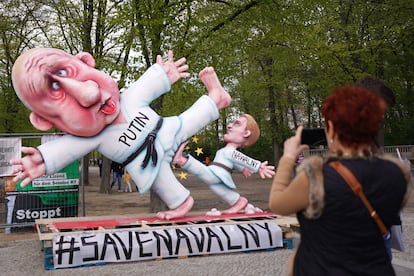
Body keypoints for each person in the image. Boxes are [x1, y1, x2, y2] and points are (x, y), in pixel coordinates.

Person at [10, 48, 231, 220]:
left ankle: (217, 98)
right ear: (45, 121)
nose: (89, 94)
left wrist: (164, 73)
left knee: (189, 119)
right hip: (146, 163)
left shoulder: (129, 98)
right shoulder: (91, 137)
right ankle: (180, 202)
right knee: (162, 180)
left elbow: (147, 84)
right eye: (56, 93)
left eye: (65, 71)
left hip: (165, 130)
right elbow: (64, 150)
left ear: (87, 62)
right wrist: (42, 160)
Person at [268, 85, 411, 275]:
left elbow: (277, 204)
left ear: (331, 127)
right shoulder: (396, 172)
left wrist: (287, 158)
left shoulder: (318, 176)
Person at [173, 114, 275, 214]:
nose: (229, 126)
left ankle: (183, 159)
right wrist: (242, 169)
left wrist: (258, 166)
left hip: (217, 173)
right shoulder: (228, 151)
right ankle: (238, 201)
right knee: (216, 187)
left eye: (237, 124)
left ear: (246, 133)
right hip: (216, 172)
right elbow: (235, 162)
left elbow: (243, 159)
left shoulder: (231, 151)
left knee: (206, 174)